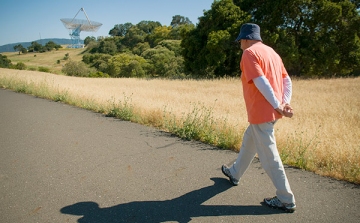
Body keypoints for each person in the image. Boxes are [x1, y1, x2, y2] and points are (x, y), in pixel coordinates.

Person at [221, 23, 296, 213]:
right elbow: (287, 80)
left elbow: (259, 80)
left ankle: (285, 199)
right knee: (250, 140)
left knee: (269, 156)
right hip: (271, 112)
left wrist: (277, 104)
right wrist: (284, 103)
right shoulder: (272, 53)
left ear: (246, 38)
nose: (240, 44)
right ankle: (235, 173)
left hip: (262, 112)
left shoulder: (249, 53)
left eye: (240, 41)